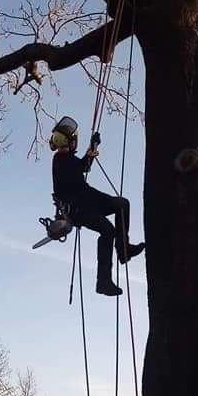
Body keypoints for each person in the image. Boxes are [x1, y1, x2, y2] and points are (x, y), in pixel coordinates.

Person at [50, 116, 145, 297]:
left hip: (88, 199)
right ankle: (103, 282)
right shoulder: (60, 160)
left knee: (122, 204)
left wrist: (93, 147)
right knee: (108, 231)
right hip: (78, 208)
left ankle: (124, 250)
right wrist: (92, 148)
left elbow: (82, 166)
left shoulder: (67, 160)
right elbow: (81, 167)